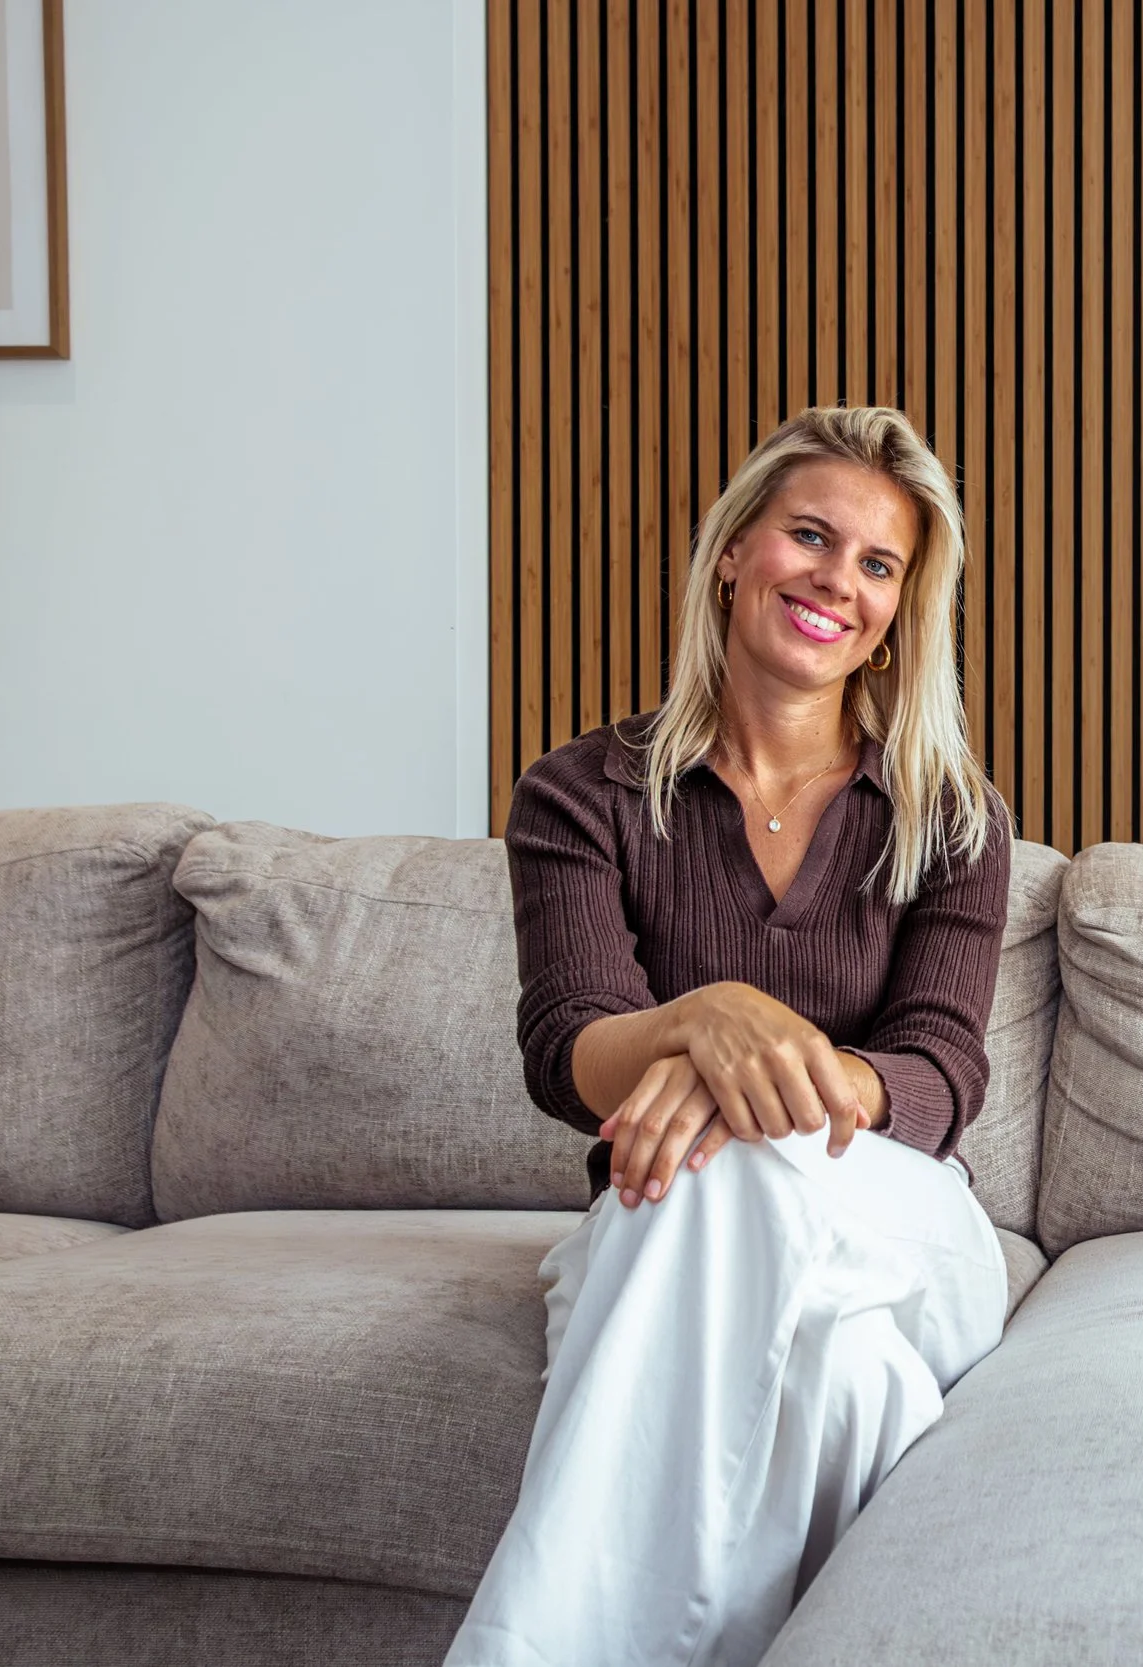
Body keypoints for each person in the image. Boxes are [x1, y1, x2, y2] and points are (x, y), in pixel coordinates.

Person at [446, 406, 1013, 1667]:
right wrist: (706, 1018)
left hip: (903, 1222)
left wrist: (754, 1081)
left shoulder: (950, 815)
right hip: (668, 1212)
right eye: (810, 536)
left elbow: (940, 1068)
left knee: (737, 1159)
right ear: (731, 553)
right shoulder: (580, 792)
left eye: (879, 564)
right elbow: (567, 1047)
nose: (837, 581)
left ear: (901, 610)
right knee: (848, 1382)